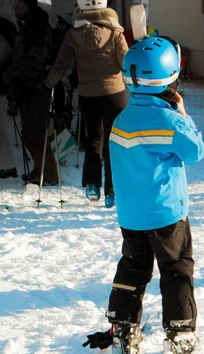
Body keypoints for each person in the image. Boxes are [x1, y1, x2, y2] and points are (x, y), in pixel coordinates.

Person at [84, 36, 204, 354]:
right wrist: (182, 114)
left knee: (133, 268)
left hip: (132, 217)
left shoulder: (122, 121)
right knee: (176, 269)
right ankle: (180, 332)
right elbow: (195, 152)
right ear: (171, 79)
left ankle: (123, 326)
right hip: (167, 215)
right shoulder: (170, 122)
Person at [46, 0, 128, 208]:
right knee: (114, 142)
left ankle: (92, 185)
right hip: (114, 94)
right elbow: (125, 63)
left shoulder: (73, 34)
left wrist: (48, 83)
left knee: (94, 139)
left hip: (88, 96)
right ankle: (112, 191)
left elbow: (61, 65)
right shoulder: (115, 33)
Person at [11, 0, 58, 185]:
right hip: (32, 85)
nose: (14, 6)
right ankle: (40, 170)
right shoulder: (32, 23)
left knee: (36, 131)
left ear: (25, 4)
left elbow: (36, 56)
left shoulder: (35, 24)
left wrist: (24, 80)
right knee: (31, 131)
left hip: (36, 87)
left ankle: (48, 174)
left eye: (17, 2)